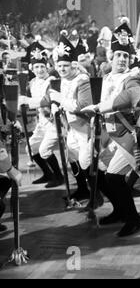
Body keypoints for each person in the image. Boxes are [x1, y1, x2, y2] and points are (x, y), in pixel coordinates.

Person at [81, 17, 140, 237]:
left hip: (130, 135)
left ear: (130, 59)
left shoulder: (134, 78)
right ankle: (120, 210)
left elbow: (128, 99)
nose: (122, 59)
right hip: (109, 135)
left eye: (126, 55)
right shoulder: (106, 77)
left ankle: (133, 218)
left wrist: (99, 107)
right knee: (95, 171)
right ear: (111, 55)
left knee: (113, 177)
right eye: (118, 54)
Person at [48, 30, 95, 205]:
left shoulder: (82, 79)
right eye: (59, 66)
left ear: (73, 65)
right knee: (72, 158)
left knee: (85, 161)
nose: (61, 69)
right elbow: (52, 97)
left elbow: (83, 106)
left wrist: (61, 100)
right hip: (71, 128)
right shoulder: (62, 80)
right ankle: (82, 189)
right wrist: (54, 104)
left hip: (85, 127)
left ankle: (95, 194)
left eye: (65, 66)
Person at [18, 42, 65, 188]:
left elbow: (47, 100)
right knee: (30, 148)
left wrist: (28, 100)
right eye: (36, 67)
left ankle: (59, 177)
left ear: (47, 67)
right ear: (32, 68)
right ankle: (48, 174)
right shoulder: (33, 82)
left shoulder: (52, 81)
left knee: (45, 150)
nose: (39, 70)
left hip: (54, 121)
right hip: (42, 122)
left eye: (42, 66)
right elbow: (24, 96)